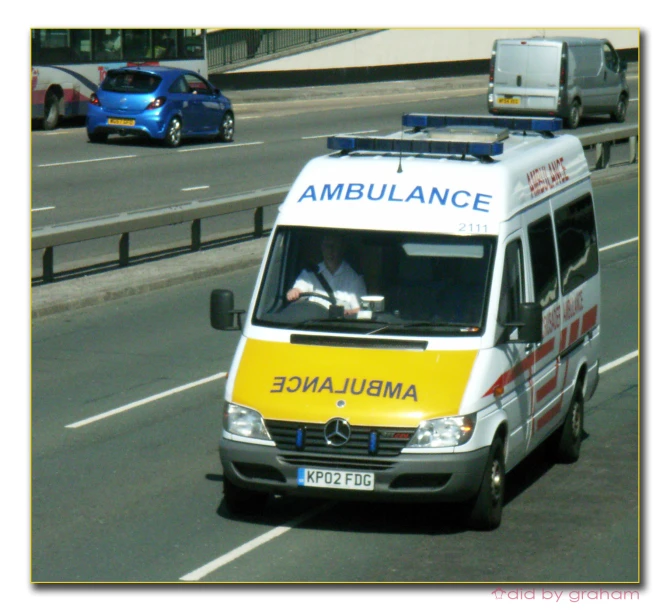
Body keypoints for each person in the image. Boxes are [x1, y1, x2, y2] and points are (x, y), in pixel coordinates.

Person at [287, 234, 367, 314]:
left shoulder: (354, 277)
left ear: (342, 248)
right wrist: (294, 292)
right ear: (322, 248)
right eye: (326, 246)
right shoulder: (310, 273)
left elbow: (360, 310)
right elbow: (297, 291)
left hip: (341, 324)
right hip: (311, 323)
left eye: (334, 246)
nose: (330, 250)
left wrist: (347, 313)